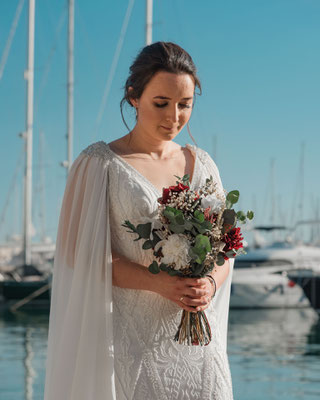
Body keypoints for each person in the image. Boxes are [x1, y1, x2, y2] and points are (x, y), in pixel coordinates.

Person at [44, 41, 234, 400]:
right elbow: (76, 255)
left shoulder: (204, 165)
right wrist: (159, 283)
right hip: (133, 347)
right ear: (133, 97)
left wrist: (210, 281)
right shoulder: (99, 164)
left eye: (185, 105)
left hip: (199, 347)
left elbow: (227, 247)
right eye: (161, 103)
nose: (173, 117)